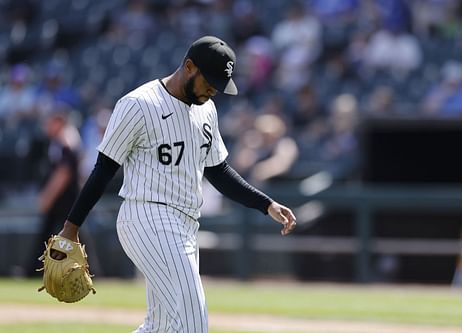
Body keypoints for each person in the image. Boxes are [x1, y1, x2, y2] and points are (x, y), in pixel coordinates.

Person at [51, 35, 296, 333]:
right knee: (194, 322)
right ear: (189, 66)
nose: (213, 91)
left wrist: (265, 203)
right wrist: (71, 227)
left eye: (219, 85)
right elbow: (103, 168)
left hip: (186, 224)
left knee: (161, 326)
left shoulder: (206, 109)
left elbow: (218, 171)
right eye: (210, 82)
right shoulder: (138, 104)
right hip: (147, 217)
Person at [25, 110, 81, 276]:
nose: (47, 126)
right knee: (50, 232)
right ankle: (34, 269)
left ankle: (35, 270)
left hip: (65, 199)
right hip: (65, 198)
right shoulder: (61, 140)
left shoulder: (66, 140)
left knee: (71, 234)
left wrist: (47, 196)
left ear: (59, 122)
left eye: (51, 122)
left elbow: (64, 172)